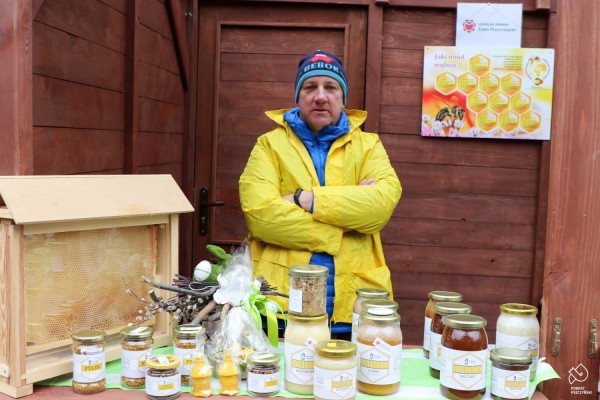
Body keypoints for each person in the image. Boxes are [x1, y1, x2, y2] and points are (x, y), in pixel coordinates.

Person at [238, 50, 402, 338]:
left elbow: (381, 206)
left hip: (356, 306)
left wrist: (305, 199)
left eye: (331, 87)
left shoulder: (369, 146)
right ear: (298, 96)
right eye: (310, 87)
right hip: (281, 307)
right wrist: (344, 224)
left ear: (343, 97)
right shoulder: (269, 146)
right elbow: (261, 216)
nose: (321, 96)